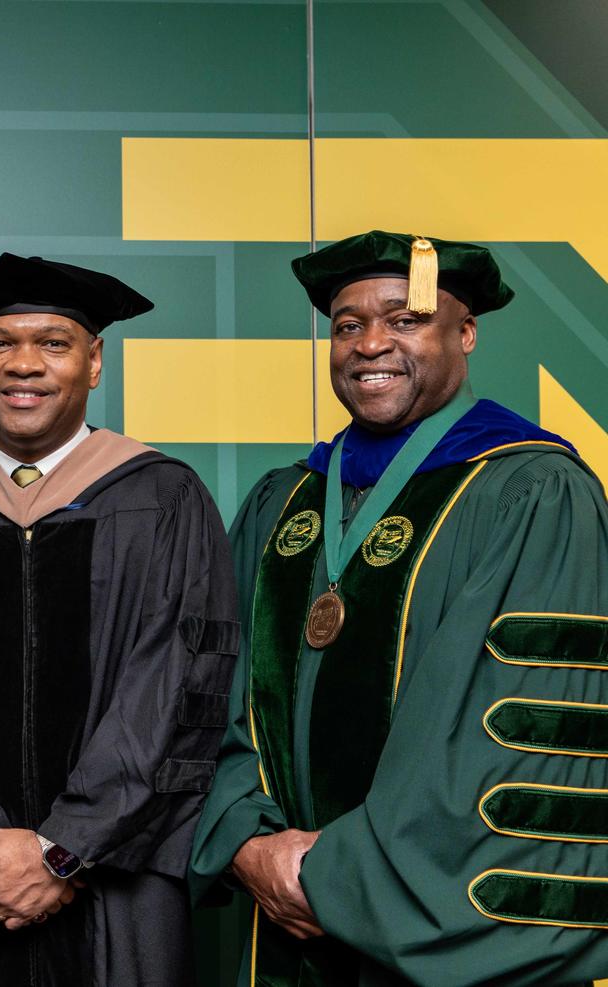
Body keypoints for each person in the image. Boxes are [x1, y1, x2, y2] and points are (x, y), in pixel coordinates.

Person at [191, 231, 608, 985]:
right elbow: (204, 692)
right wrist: (247, 841)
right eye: (348, 325)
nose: (370, 343)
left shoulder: (534, 494)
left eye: (405, 318)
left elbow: (511, 731)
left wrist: (332, 874)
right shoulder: (282, 500)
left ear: (467, 332)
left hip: (430, 919)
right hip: (273, 912)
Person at [0, 252, 239, 986]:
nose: (23, 364)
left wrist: (64, 849)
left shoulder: (164, 499)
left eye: (53, 343)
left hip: (119, 880)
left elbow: (174, 691)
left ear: (94, 363)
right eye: (0, 342)